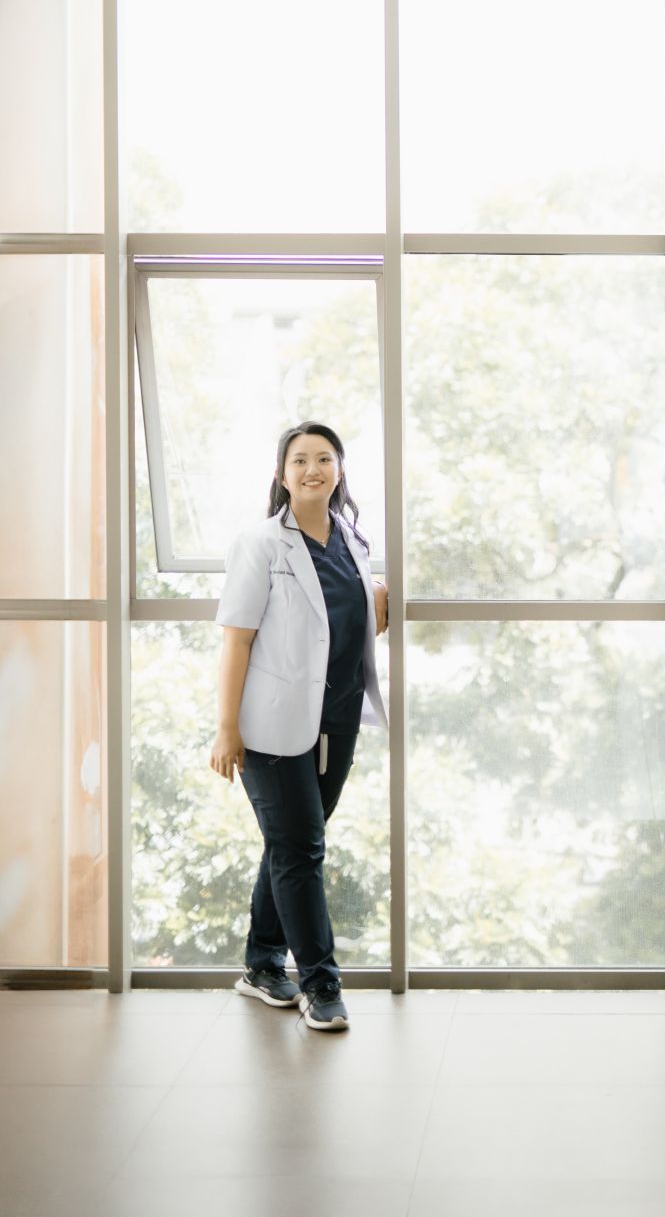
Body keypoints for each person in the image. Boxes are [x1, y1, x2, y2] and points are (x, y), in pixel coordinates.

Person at [209, 421, 388, 1032]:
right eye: (300, 460)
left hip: (338, 719)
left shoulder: (352, 540)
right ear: (282, 475)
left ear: (339, 469)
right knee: (301, 849)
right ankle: (320, 983)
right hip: (269, 725)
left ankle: (262, 965)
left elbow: (340, 614)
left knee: (292, 846)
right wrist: (225, 728)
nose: (313, 470)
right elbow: (236, 641)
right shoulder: (260, 543)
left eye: (324, 459)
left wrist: (376, 591)